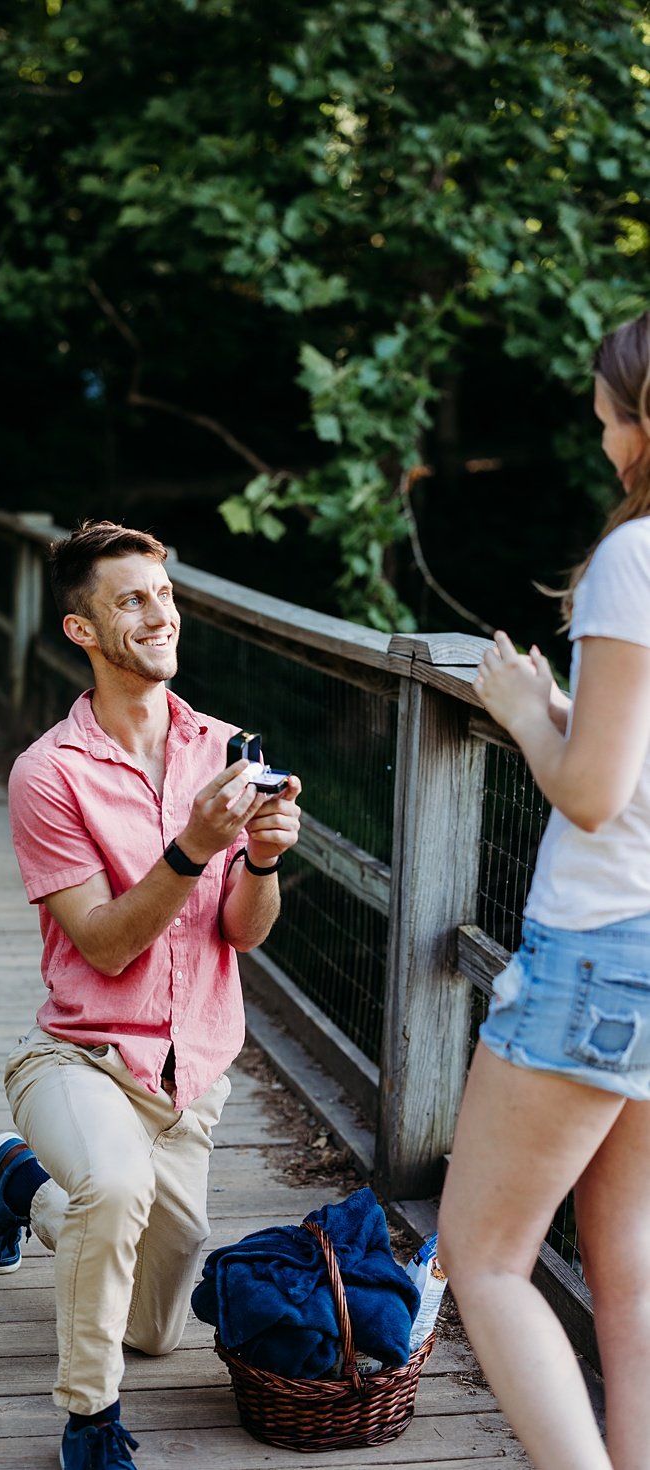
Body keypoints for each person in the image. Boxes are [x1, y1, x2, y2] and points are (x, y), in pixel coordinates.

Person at [0, 520, 302, 1470]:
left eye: (164, 594)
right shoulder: (49, 774)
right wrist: (193, 847)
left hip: (189, 1078)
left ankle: (24, 1182)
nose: (161, 615)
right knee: (111, 1192)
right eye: (132, 600)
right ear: (83, 632)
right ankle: (88, 1424)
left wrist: (264, 860)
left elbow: (244, 931)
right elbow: (106, 945)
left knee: (154, 1328)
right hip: (81, 1055)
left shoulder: (225, 747)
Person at [438, 308, 650, 1470]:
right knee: (628, 1277)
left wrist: (526, 717)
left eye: (607, 414)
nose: (599, 432)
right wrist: (575, 722)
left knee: (485, 1257)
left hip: (601, 950)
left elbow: (588, 793)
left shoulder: (635, 554)